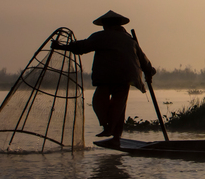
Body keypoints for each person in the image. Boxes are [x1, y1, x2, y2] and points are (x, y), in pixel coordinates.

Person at [52, 10, 155, 142]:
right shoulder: (129, 39)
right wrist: (149, 72)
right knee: (119, 105)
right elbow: (144, 60)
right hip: (126, 77)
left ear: (106, 25)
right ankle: (115, 134)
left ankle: (108, 128)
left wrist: (61, 47)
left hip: (111, 77)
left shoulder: (103, 37)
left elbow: (82, 47)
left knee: (100, 101)